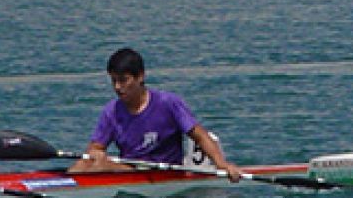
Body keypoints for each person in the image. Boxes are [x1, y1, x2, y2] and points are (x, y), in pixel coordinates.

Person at [70, 48, 243, 181]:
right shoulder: (111, 111)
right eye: (113, 81)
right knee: (85, 163)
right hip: (130, 170)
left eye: (123, 80)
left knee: (100, 166)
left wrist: (222, 165)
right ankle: (62, 186)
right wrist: (95, 153)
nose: (117, 87)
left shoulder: (168, 103)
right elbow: (95, 148)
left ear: (140, 77)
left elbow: (201, 136)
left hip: (167, 172)